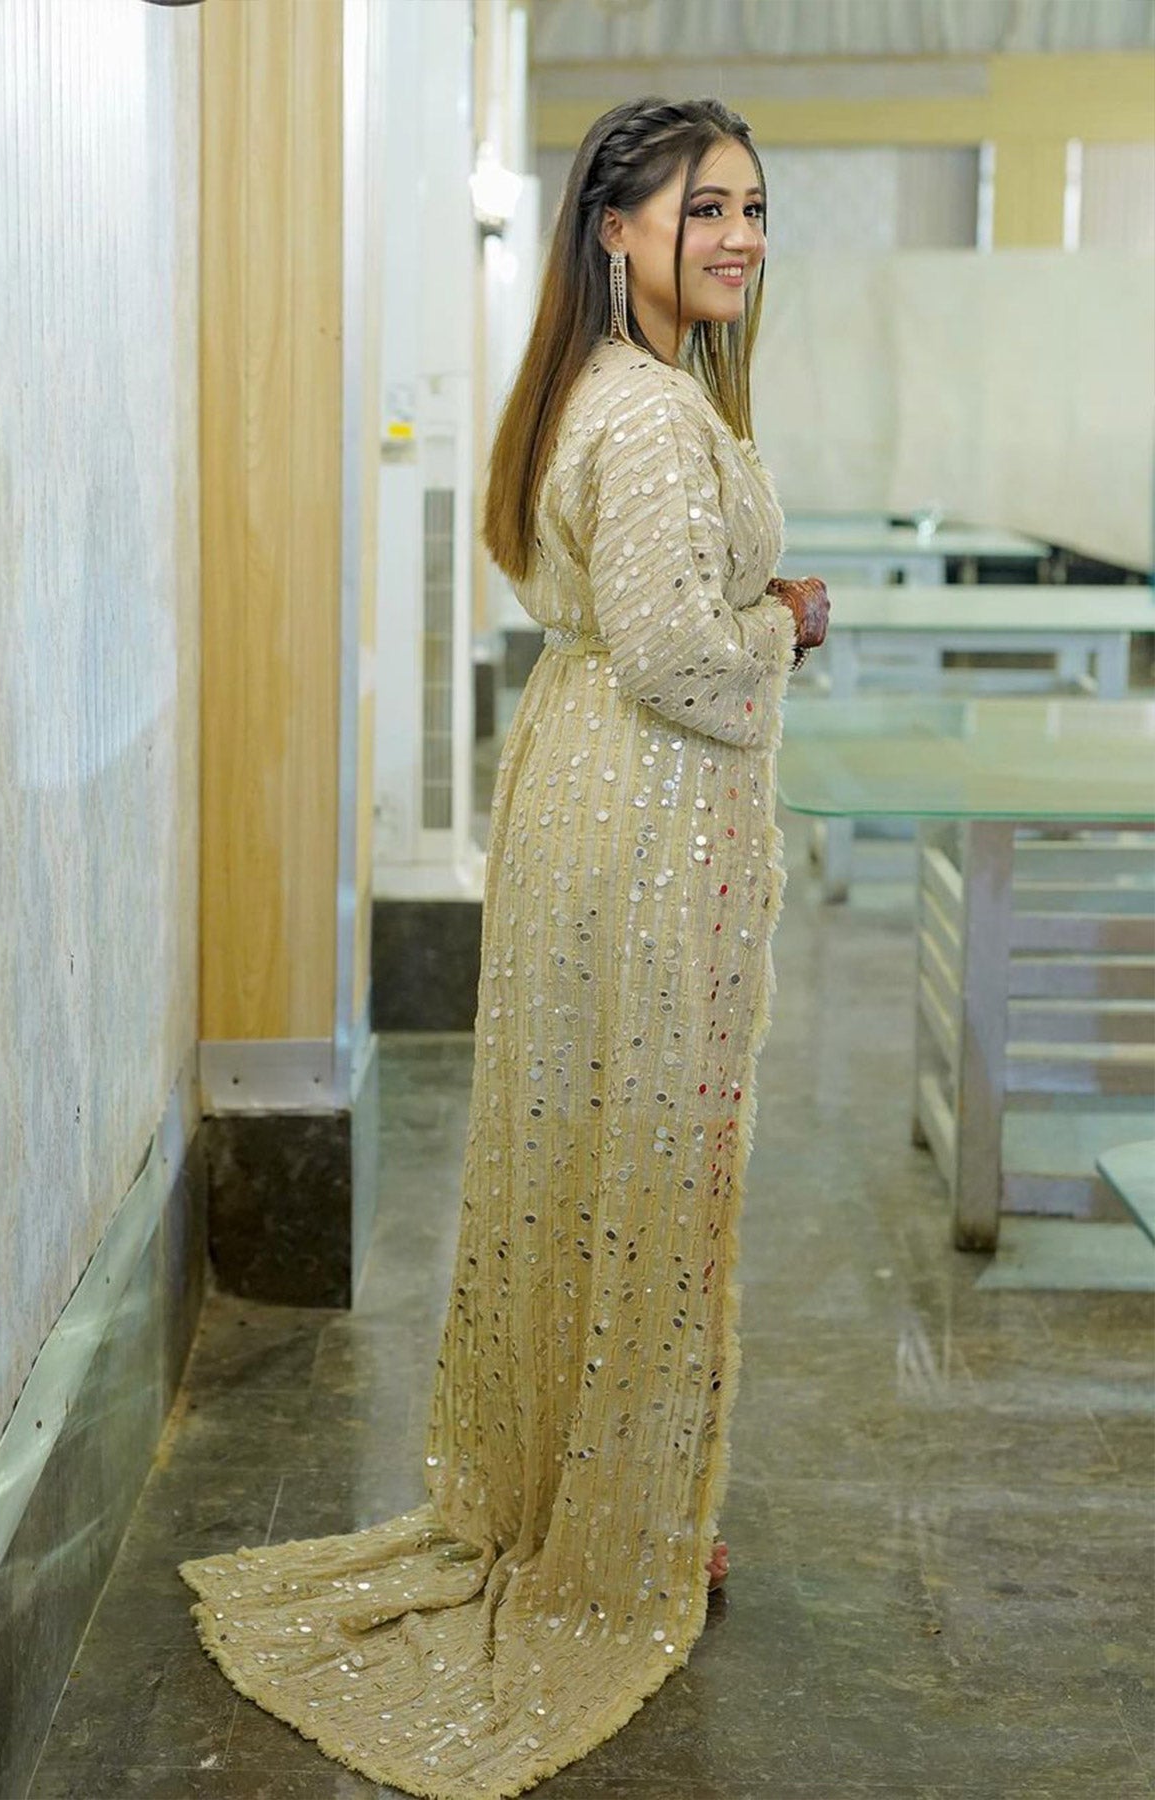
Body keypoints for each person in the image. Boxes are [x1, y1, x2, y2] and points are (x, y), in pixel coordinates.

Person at [180, 95, 830, 1800]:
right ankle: (615, 1538)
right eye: (705, 210)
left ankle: (586, 1500)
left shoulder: (596, 387)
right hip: (648, 814)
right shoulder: (653, 414)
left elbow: (623, 626)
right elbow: (680, 658)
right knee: (652, 1171)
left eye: (754, 209)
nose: (740, 238)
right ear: (615, 227)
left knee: (592, 1160)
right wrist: (786, 620)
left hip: (584, 791)